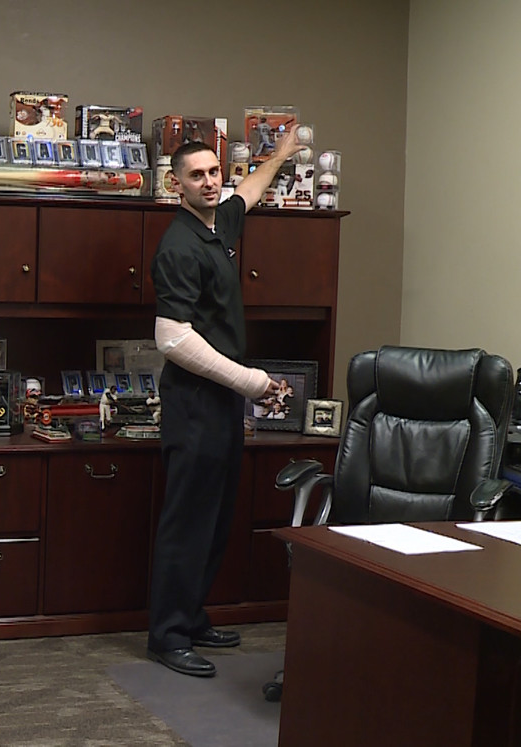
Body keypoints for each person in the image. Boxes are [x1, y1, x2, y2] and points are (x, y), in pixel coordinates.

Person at [146, 126, 303, 677]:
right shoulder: (179, 245)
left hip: (222, 405)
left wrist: (280, 156)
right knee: (187, 521)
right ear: (176, 184)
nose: (210, 182)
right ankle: (167, 635)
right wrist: (252, 383)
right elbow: (172, 339)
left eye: (214, 172)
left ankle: (191, 618)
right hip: (194, 403)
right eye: (197, 175)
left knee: (214, 520)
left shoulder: (219, 222)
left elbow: (249, 193)